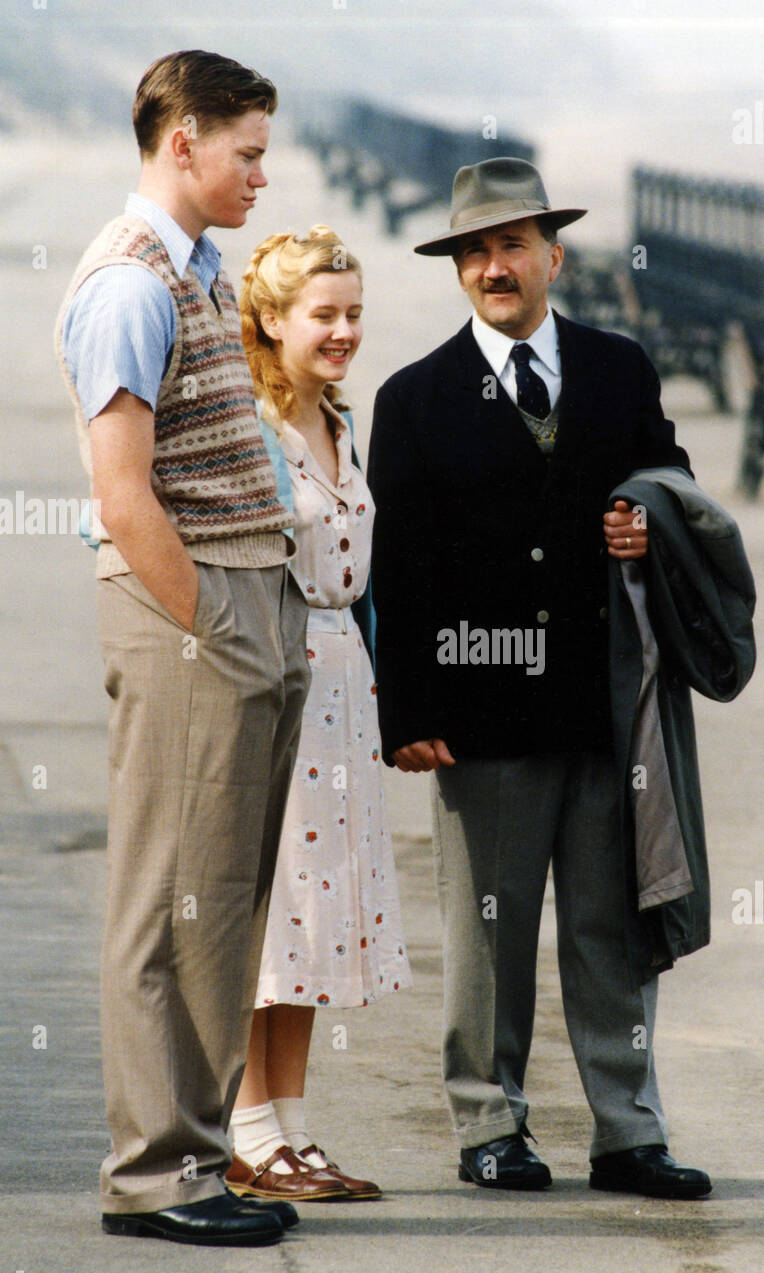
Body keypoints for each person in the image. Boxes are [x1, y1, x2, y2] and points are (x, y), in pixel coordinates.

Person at [368, 157, 713, 1197]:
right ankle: (489, 1125)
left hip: (605, 705)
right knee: (488, 933)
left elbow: (673, 481)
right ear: (457, 271)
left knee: (612, 928)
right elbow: (400, 571)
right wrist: (409, 708)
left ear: (553, 255)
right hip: (479, 714)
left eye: (511, 245)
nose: (492, 266)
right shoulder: (414, 398)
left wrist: (643, 516)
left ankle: (628, 1132)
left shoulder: (617, 368)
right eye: (473, 250)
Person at [55, 50, 310, 1245]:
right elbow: (121, 495)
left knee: (224, 901)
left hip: (249, 603)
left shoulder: (196, 271)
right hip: (192, 619)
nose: (263, 174)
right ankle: (156, 1174)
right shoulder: (130, 280)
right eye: (247, 152)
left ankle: (195, 1159)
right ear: (184, 144)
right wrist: (211, 628)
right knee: (170, 901)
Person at [227, 227, 411, 1202]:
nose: (343, 332)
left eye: (353, 314)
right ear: (270, 319)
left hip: (346, 685)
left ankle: (291, 1128)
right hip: (278, 679)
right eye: (323, 315)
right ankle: (249, 1131)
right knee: (270, 907)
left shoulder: (341, 419)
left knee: (316, 911)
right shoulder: (252, 425)